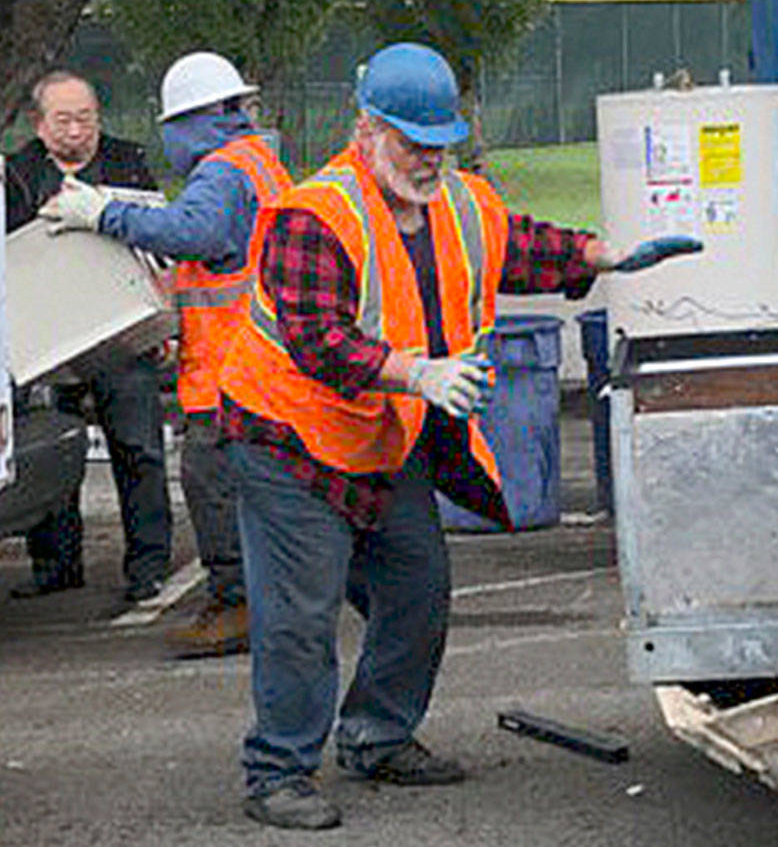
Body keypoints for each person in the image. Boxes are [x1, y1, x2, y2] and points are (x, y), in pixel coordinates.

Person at [216, 42, 701, 830]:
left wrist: (601, 256)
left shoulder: (461, 200)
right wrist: (418, 374)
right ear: (366, 129)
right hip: (289, 444)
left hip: (380, 436)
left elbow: (520, 244)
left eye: (439, 142)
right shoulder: (318, 214)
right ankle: (277, 771)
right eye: (413, 142)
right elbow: (316, 340)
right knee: (300, 618)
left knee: (417, 586)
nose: (429, 159)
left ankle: (376, 735)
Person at [40, 52, 292, 655]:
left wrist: (103, 213)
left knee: (211, 486)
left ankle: (237, 605)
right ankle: (271, 597)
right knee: (262, 494)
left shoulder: (223, 172)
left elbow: (195, 235)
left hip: (232, 373)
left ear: (193, 120)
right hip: (260, 367)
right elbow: (220, 257)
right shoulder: (260, 163)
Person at [4, 70, 172, 603]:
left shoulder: (130, 161)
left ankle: (149, 566)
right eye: (65, 120)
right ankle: (56, 564)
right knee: (53, 448)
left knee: (139, 447)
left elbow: (160, 242)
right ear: (39, 123)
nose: (78, 131)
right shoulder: (17, 173)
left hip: (121, 335)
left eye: (87, 118)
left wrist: (163, 324)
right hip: (47, 341)